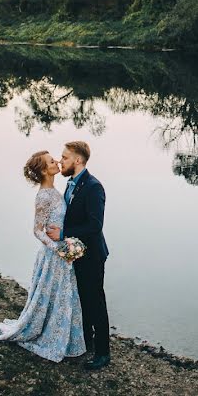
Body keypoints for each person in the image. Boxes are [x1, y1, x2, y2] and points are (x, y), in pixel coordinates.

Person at [0, 151, 86, 362]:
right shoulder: (44, 196)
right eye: (51, 162)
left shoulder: (55, 191)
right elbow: (37, 231)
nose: (57, 162)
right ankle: (49, 334)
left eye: (55, 159)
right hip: (54, 255)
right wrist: (58, 248)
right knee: (55, 296)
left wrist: (66, 244)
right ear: (45, 170)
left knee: (62, 297)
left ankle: (64, 336)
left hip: (62, 254)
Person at [46, 140, 111, 370]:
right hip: (75, 254)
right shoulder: (71, 184)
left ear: (78, 160)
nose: (61, 161)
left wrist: (63, 233)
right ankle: (86, 342)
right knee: (80, 300)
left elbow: (94, 225)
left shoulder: (94, 187)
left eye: (64, 158)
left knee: (95, 302)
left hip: (92, 255)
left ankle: (103, 353)